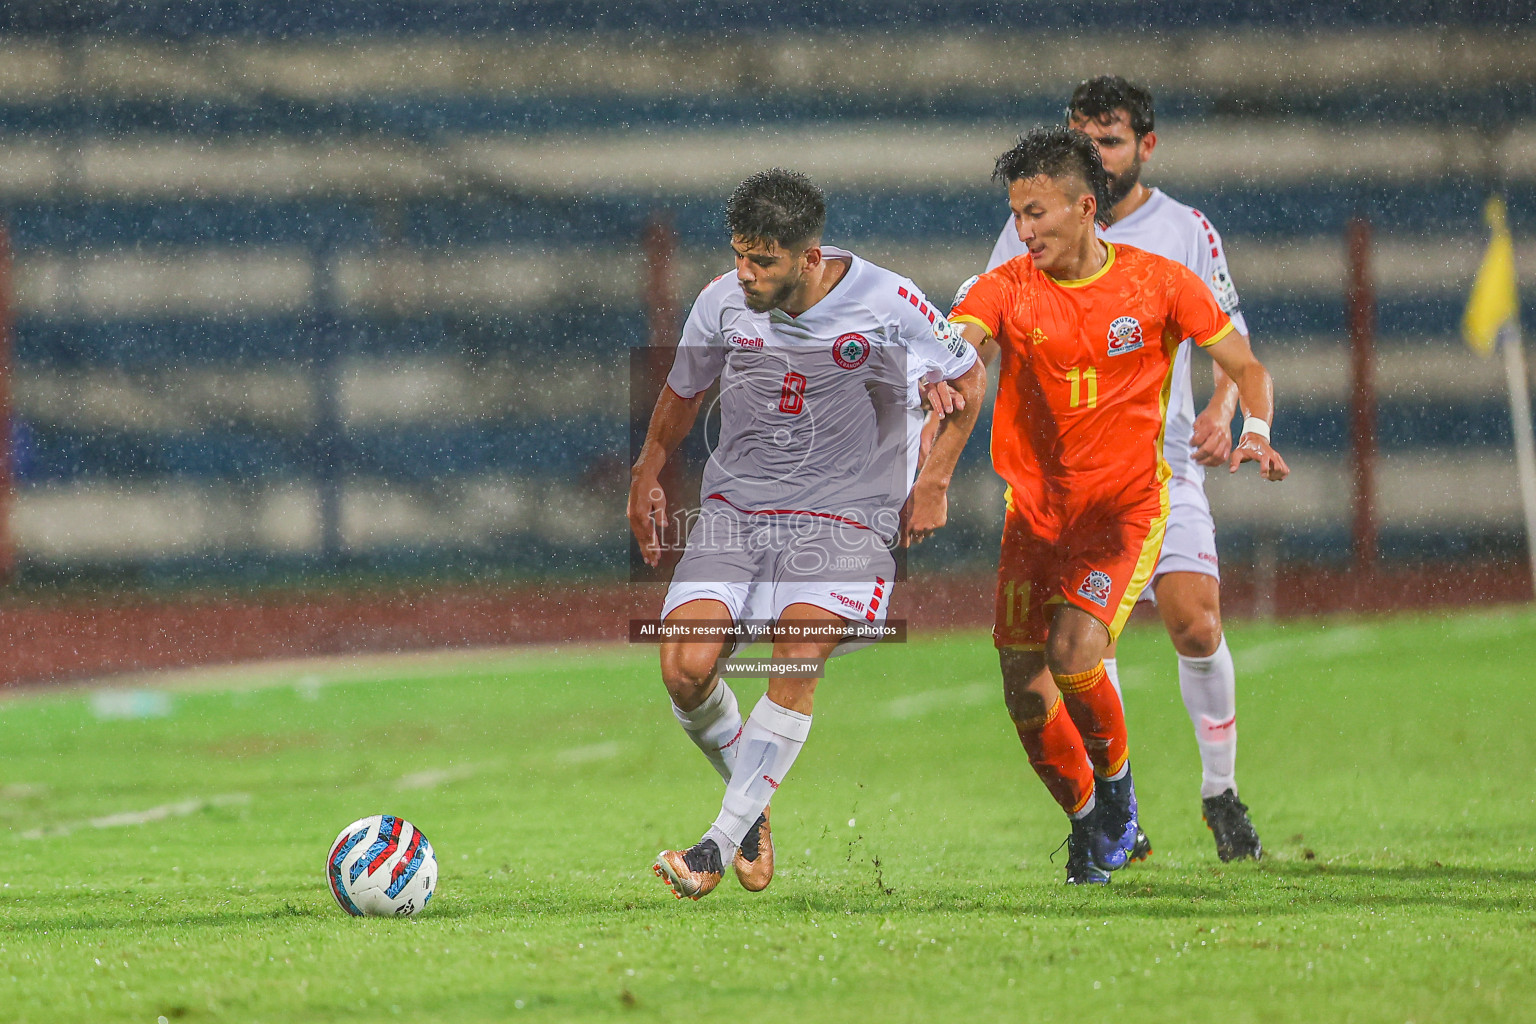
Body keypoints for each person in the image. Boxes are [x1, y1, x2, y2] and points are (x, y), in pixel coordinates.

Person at [628, 168, 986, 900]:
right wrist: (648, 472)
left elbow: (969, 378)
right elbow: (683, 392)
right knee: (685, 669)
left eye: (763, 261)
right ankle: (752, 810)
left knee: (796, 650)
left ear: (809, 256)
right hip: (738, 511)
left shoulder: (888, 300)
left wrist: (935, 483)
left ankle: (714, 846)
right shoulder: (721, 302)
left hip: (848, 515)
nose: (745, 273)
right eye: (739, 255)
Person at [944, 127, 1287, 884]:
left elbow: (1244, 363)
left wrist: (1254, 427)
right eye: (1016, 214)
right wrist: (943, 363)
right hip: (1034, 514)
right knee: (1023, 688)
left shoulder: (1162, 281)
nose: (1023, 229)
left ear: (1084, 207)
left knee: (1077, 654)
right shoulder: (1003, 286)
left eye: (1036, 213)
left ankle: (1123, 797)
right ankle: (1085, 822)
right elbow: (962, 338)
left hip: (1123, 510)